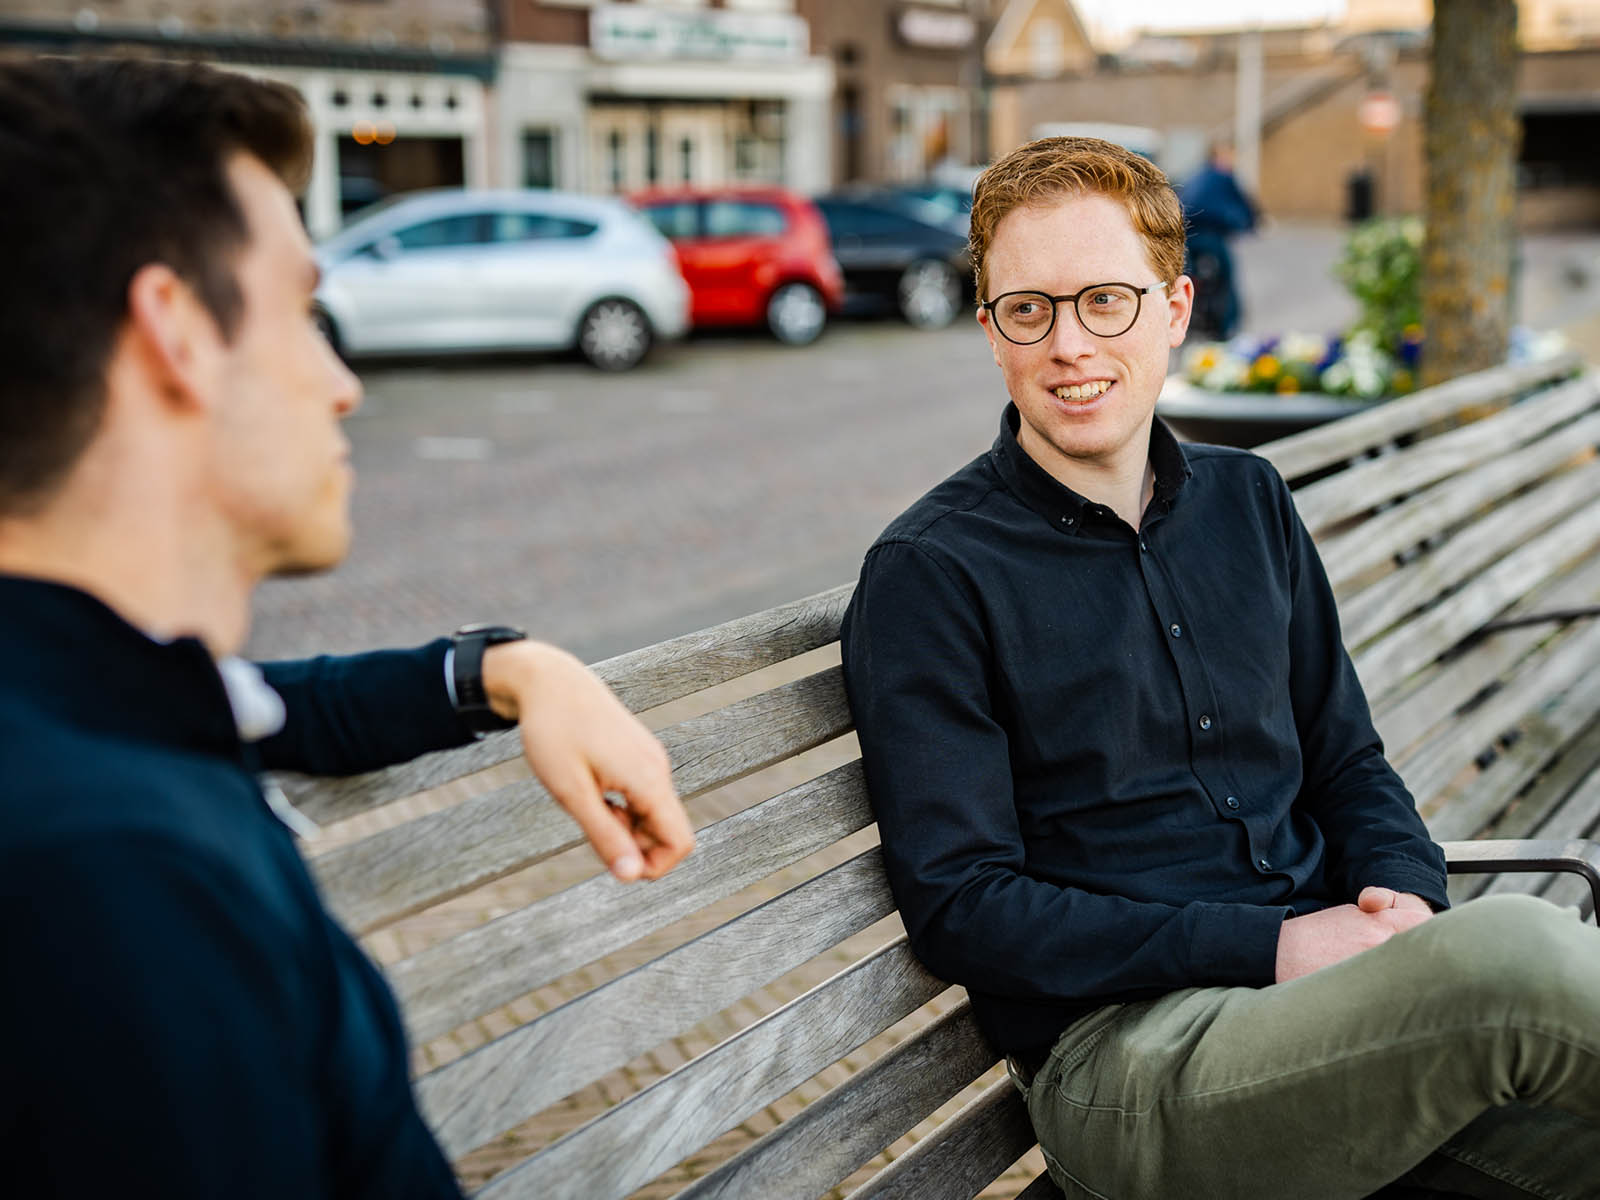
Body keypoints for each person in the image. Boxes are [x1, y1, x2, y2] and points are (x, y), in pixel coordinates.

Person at [840, 135, 1600, 1199]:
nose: (1068, 343)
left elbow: (1348, 762)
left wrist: (1401, 900)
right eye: (1029, 309)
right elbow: (965, 906)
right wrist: (1277, 945)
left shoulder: (1250, 503)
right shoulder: (932, 573)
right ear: (990, 331)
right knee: (1518, 958)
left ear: (1175, 309)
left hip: (1336, 1022)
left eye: (1105, 299)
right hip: (1132, 1066)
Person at [0, 56, 693, 1198]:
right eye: (303, 314)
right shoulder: (108, 886)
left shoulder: (85, 698)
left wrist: (507, 672)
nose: (343, 384)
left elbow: (272, 703)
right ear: (176, 331)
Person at [1179, 141, 1257, 340]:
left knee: (1185, 273)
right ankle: (1227, 325)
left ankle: (1184, 314)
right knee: (1227, 275)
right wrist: (1249, 223)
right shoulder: (1224, 177)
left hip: (1187, 236)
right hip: (1211, 236)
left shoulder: (1195, 175)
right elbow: (1243, 206)